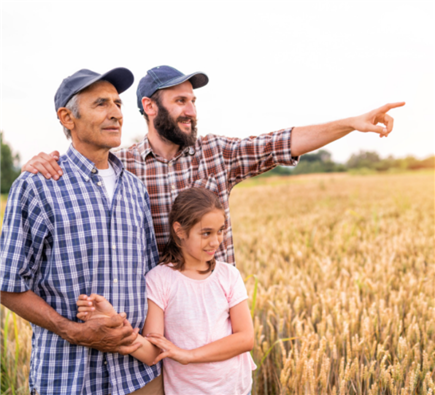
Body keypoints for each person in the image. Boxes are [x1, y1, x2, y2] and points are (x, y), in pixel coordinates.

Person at [22, 65, 405, 265]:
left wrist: (351, 124)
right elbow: (80, 160)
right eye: (180, 102)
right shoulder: (123, 167)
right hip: (157, 320)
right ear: (150, 108)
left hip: (216, 312)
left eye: (193, 101)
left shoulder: (216, 153)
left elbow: (282, 141)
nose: (191, 111)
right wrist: (37, 162)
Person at [0, 68, 163, 395]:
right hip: (69, 377)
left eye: (118, 104)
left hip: (139, 376)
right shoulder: (37, 187)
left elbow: (151, 276)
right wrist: (73, 331)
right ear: (67, 117)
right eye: (101, 104)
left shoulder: (134, 189)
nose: (116, 113)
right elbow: (7, 285)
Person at [76, 187, 256, 395]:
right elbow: (152, 352)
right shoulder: (160, 280)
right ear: (179, 230)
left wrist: (188, 355)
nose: (215, 241)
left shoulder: (229, 275)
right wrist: (112, 320)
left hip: (236, 389)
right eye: (206, 233)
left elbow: (245, 339)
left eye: (220, 231)